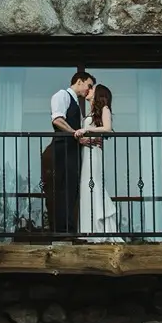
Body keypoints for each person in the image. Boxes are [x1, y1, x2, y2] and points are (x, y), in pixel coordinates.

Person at [49, 70, 95, 235]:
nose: (88, 90)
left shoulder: (76, 102)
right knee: (64, 188)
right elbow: (57, 119)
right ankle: (62, 230)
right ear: (79, 81)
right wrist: (74, 133)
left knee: (72, 188)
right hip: (63, 148)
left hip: (72, 150)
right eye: (88, 85)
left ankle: (69, 227)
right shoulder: (62, 95)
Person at [76, 84, 123, 242]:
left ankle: (100, 229)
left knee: (93, 184)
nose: (88, 89)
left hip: (94, 152)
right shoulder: (91, 112)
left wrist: (87, 131)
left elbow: (108, 128)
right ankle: (88, 229)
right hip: (86, 151)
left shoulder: (104, 109)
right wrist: (83, 138)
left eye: (92, 88)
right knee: (86, 186)